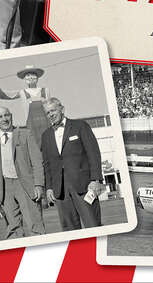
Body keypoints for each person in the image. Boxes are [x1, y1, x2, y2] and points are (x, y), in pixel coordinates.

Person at [41, 97, 105, 231]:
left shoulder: (80, 126)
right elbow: (47, 164)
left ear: (62, 109)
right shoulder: (46, 136)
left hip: (84, 186)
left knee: (93, 225)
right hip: (61, 191)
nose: (51, 114)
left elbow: (93, 154)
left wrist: (95, 179)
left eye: (53, 110)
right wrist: (49, 188)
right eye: (47, 112)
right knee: (69, 230)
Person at [0, 106, 45, 239]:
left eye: (6, 115)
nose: (4, 119)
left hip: (25, 185)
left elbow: (37, 161)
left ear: (11, 116)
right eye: (0, 117)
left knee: (34, 225)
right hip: (4, 188)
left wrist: (39, 185)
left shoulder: (25, 134)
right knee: (12, 228)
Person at [0, 64, 50, 146]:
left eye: (33, 74)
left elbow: (51, 108)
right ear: (25, 79)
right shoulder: (22, 92)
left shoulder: (45, 90)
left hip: (47, 125)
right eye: (28, 75)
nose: (30, 77)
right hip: (31, 127)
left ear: (37, 77)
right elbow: (4, 96)